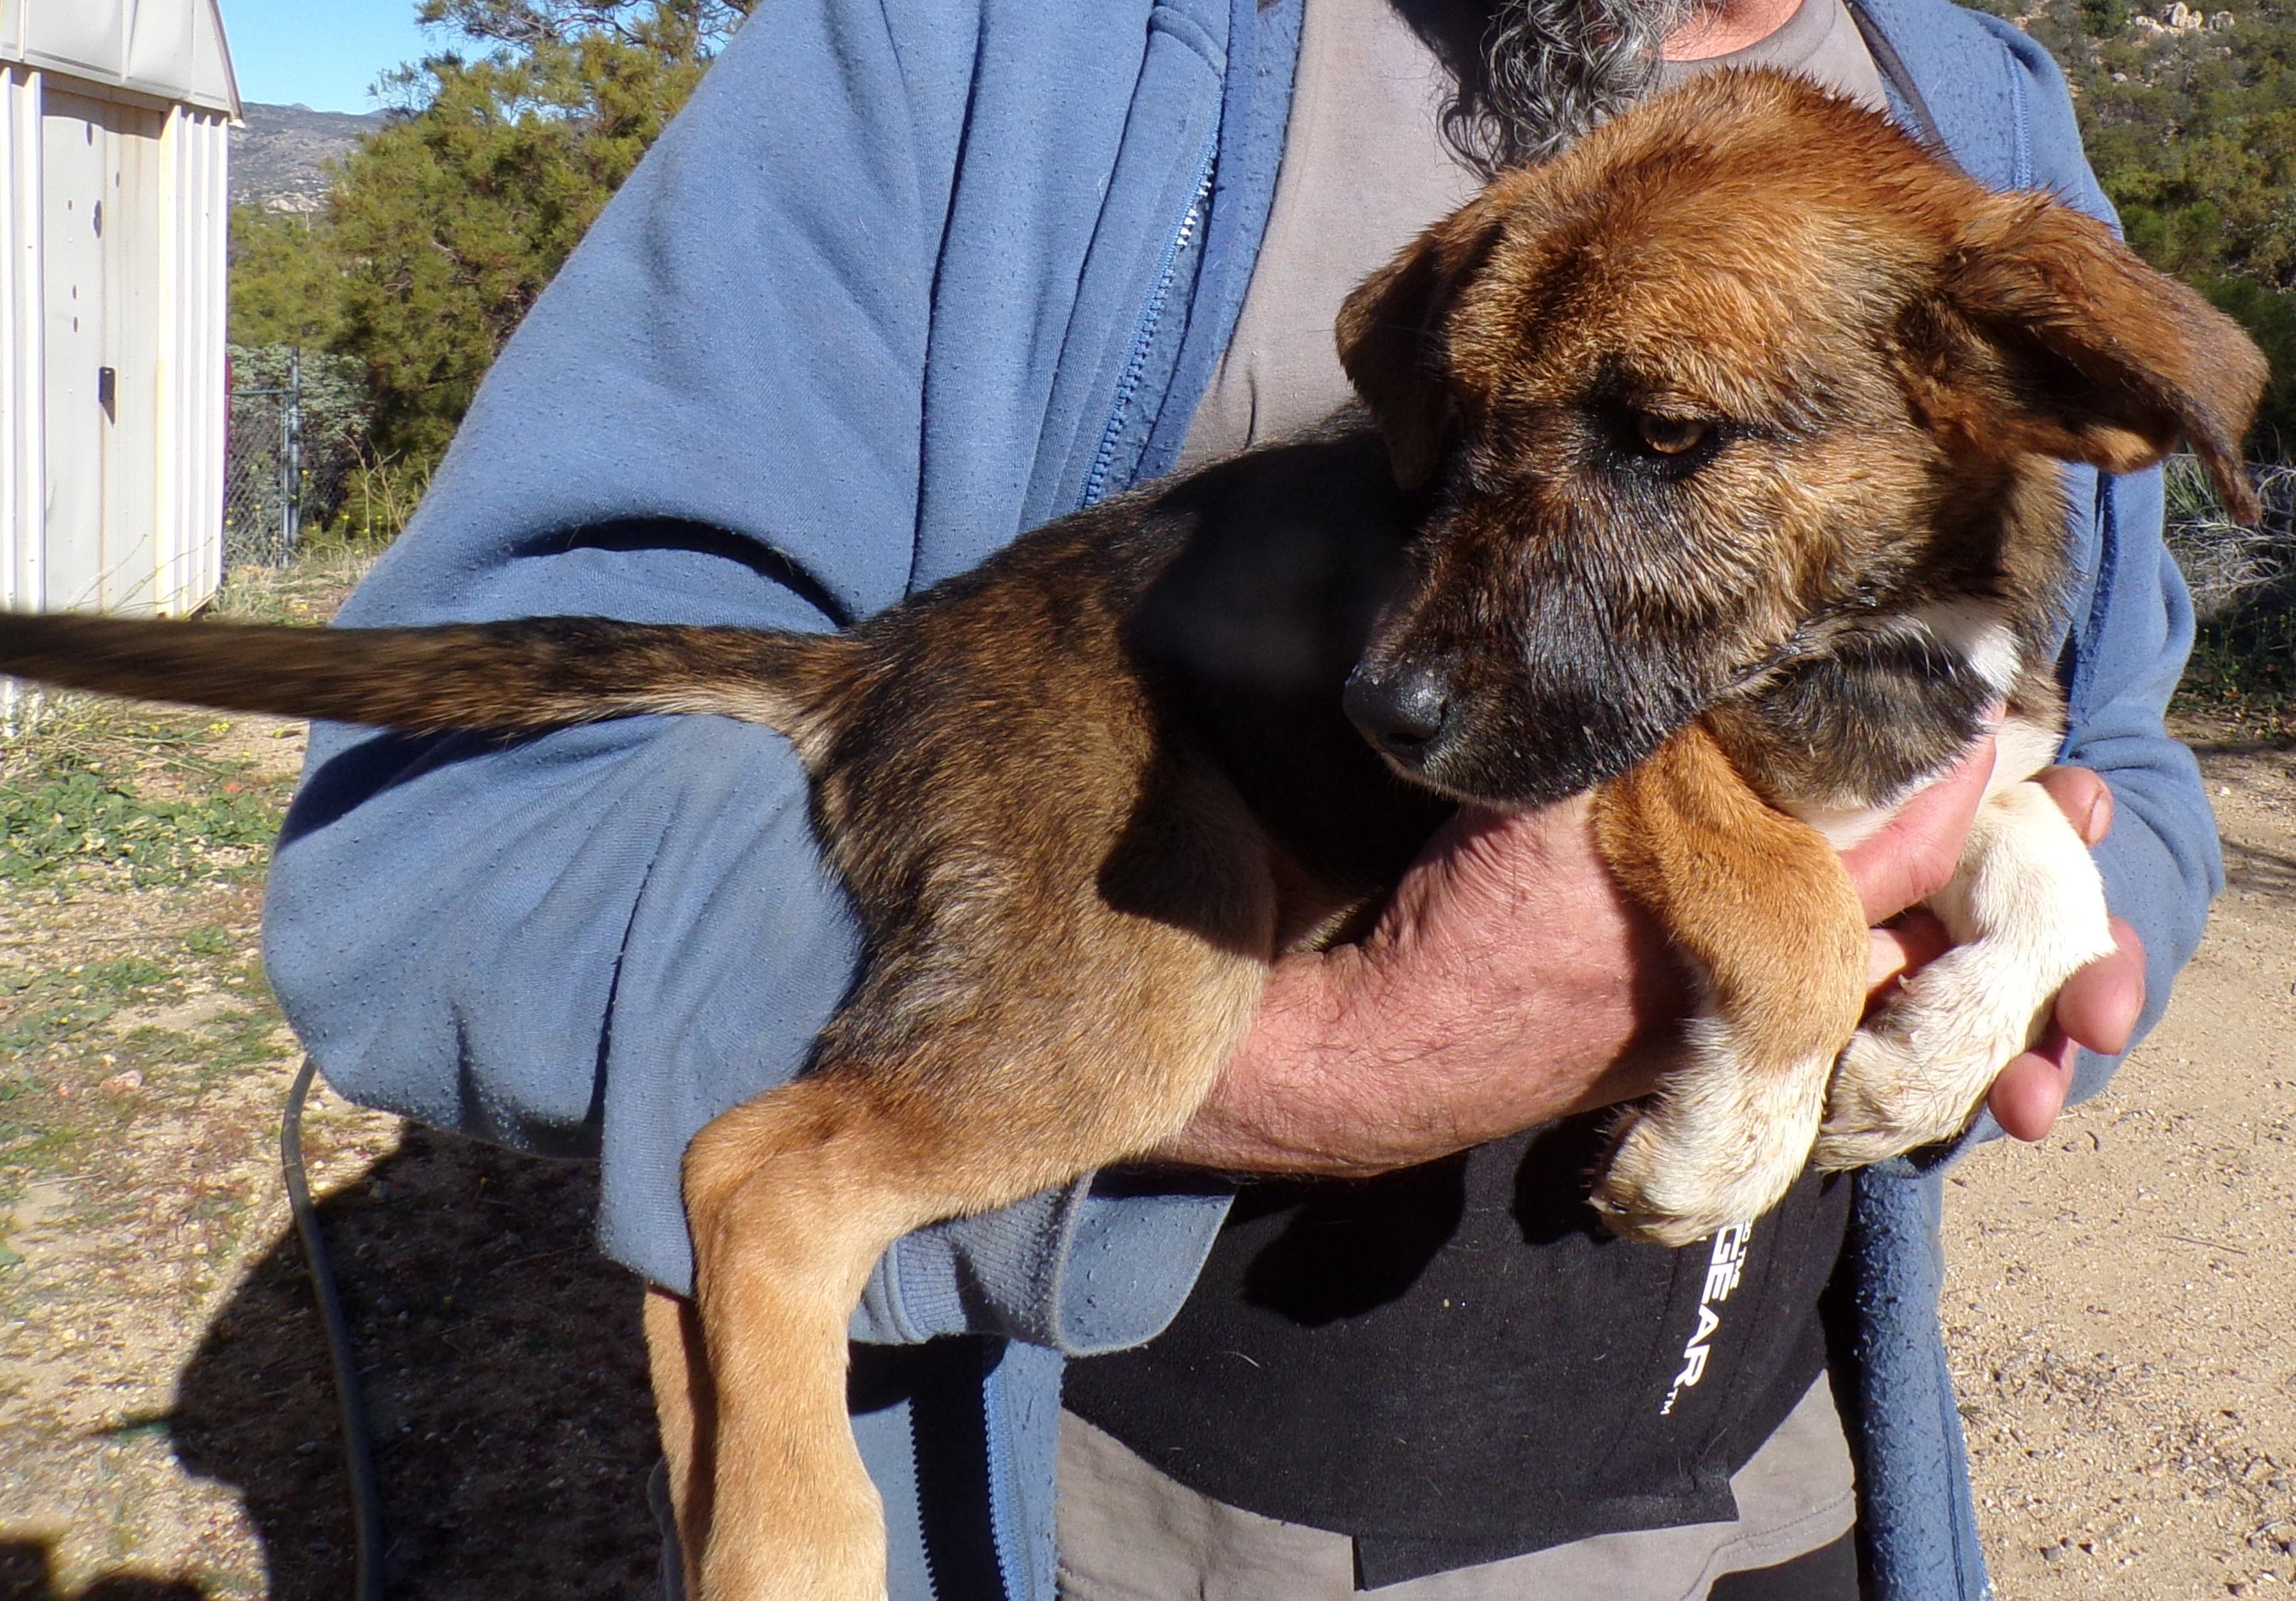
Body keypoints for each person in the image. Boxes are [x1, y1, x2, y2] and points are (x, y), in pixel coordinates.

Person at [260, 0, 2209, 1596]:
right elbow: (448, 846)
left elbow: (2103, 720)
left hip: (1769, 1489)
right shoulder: (983, 50)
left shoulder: (1978, 117)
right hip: (1161, 1517)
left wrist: (2049, 949)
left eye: (1669, 431)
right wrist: (1316, 1055)